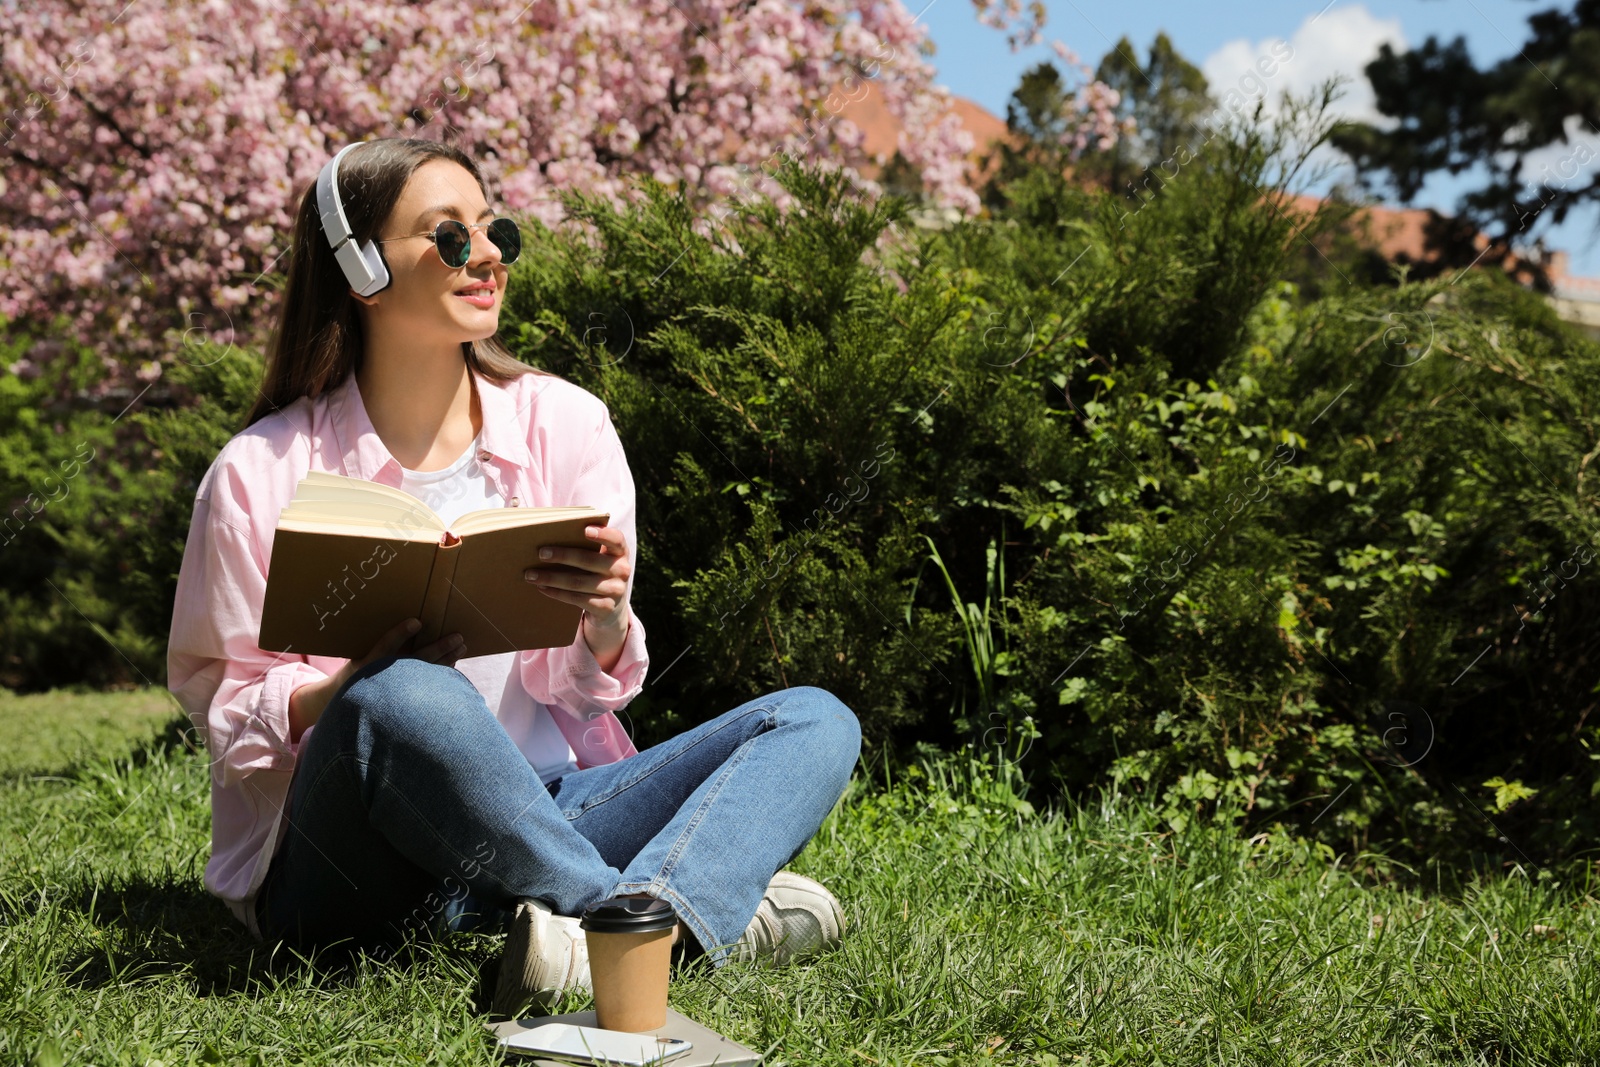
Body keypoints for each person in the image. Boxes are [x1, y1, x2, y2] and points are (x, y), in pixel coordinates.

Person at [165, 137, 862, 1018]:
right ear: (360, 268)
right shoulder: (257, 471)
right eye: (449, 237)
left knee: (812, 718)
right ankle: (659, 920)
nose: (487, 255)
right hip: (349, 864)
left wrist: (605, 624)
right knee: (406, 697)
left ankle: (582, 923)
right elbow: (220, 704)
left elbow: (583, 700)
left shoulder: (565, 423)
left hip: (541, 807)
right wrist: (345, 690)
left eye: (493, 230)